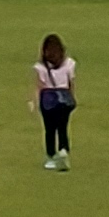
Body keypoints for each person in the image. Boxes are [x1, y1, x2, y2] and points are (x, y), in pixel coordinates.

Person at [34, 33, 76, 169]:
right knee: (63, 127)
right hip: (64, 98)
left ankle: (51, 156)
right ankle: (63, 150)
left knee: (49, 129)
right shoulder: (69, 63)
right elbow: (71, 83)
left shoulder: (41, 66)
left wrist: (37, 102)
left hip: (47, 99)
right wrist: (72, 98)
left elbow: (40, 85)